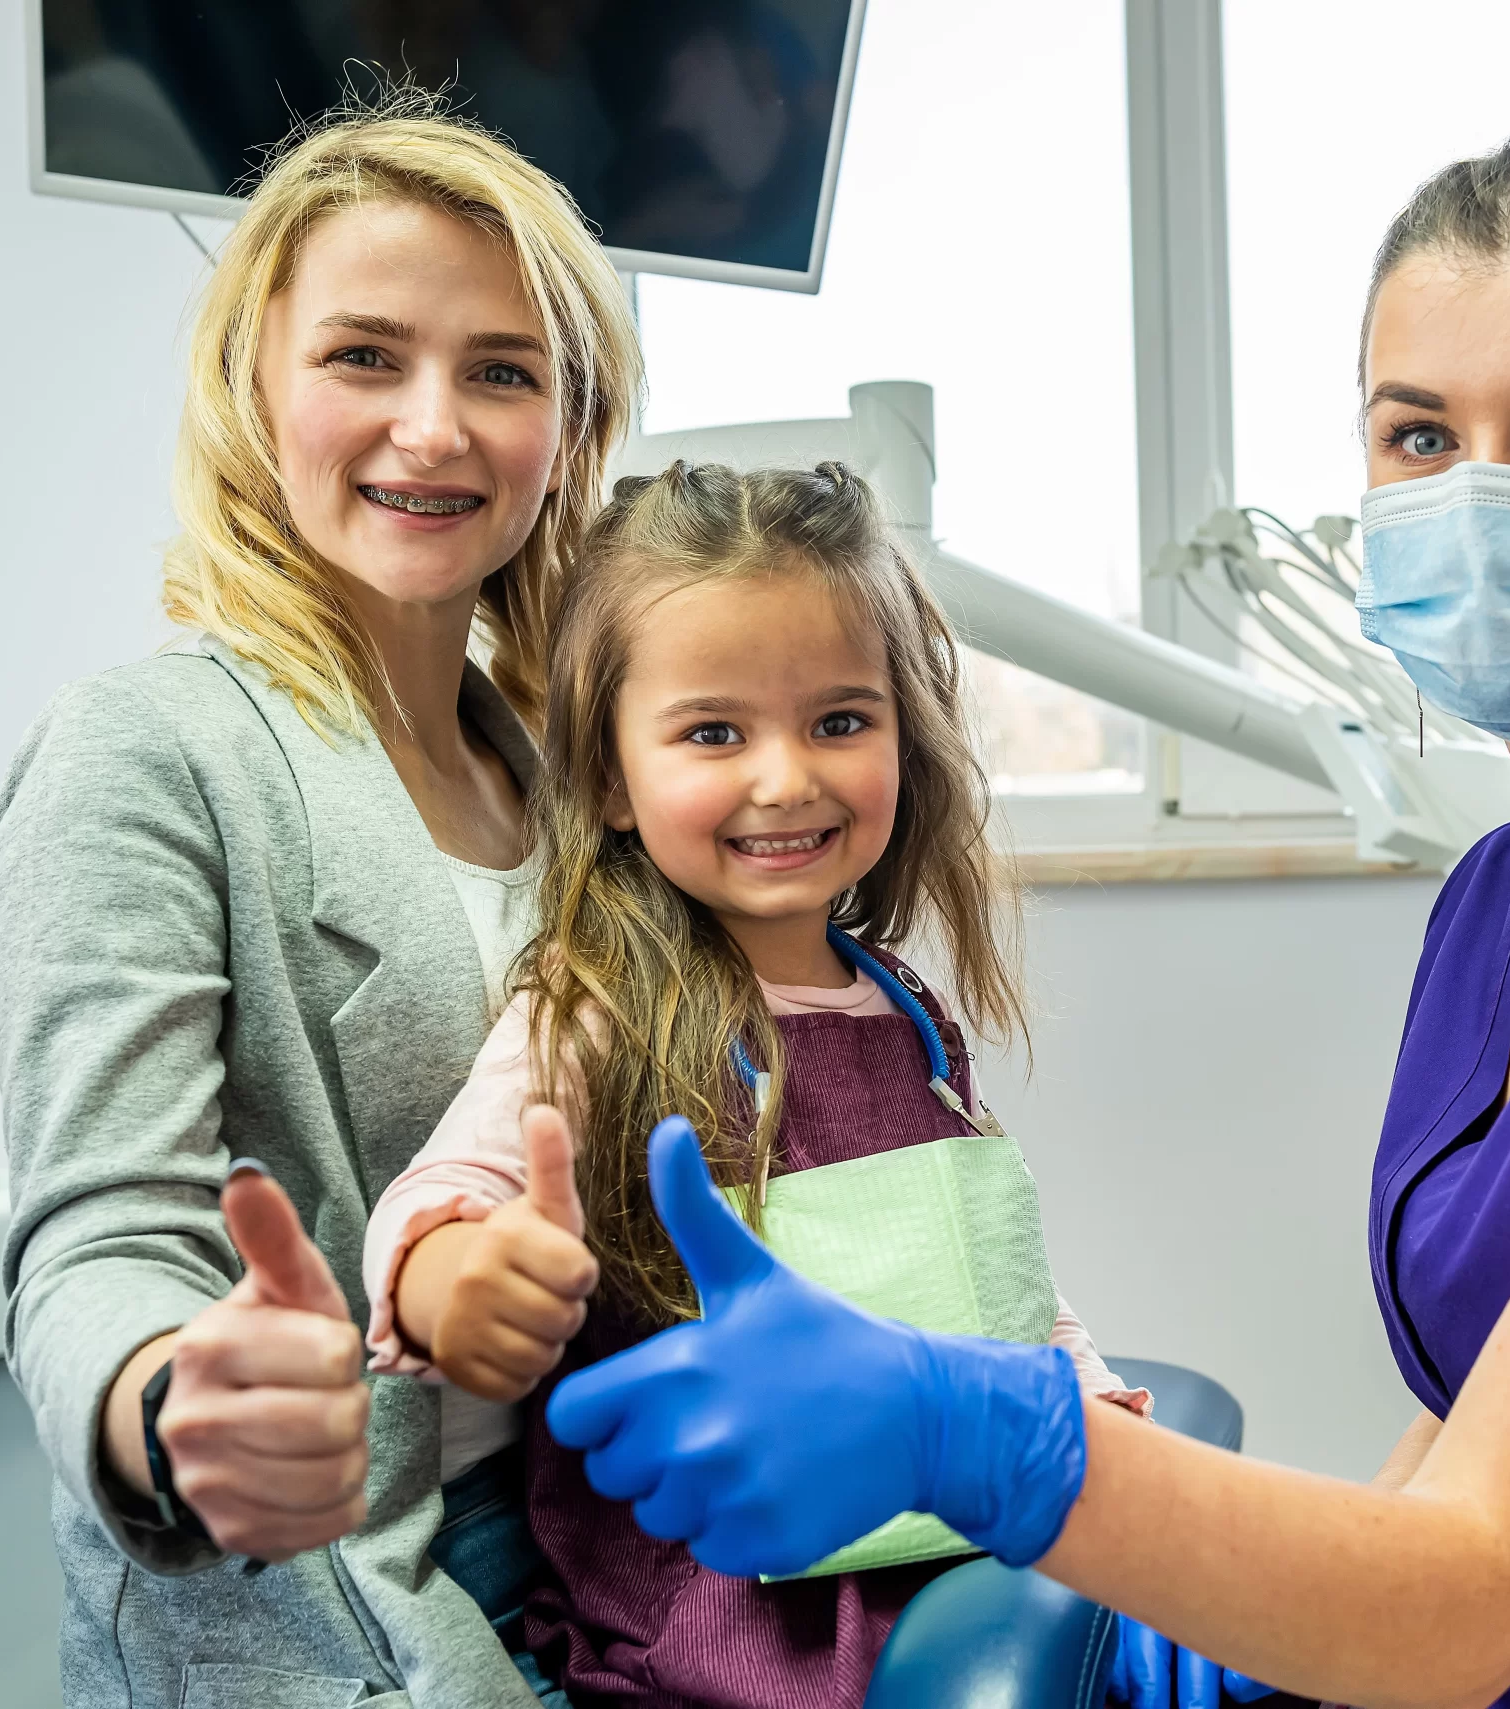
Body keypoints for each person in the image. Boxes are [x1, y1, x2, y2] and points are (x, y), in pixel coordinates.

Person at [530, 126, 1510, 1708]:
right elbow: (1489, 1428)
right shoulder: (1506, 894)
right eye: (1421, 437)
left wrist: (984, 1439)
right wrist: (1265, 1614)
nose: (1481, 493)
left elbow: (1469, 1595)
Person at [0, 96, 639, 1706]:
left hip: (598, 1553)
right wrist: (172, 1401)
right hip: (339, 1606)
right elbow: (99, 1239)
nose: (435, 427)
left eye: (502, 370)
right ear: (252, 391)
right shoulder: (141, 754)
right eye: (364, 357)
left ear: (567, 430)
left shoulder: (562, 767)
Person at [358, 461, 1152, 1707]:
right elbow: (444, 1187)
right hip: (720, 1644)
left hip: (953, 1573)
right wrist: (460, 1275)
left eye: (840, 720)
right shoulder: (599, 1006)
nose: (786, 778)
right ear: (613, 778)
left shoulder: (906, 1010)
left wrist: (1106, 1433)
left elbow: (999, 1285)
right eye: (714, 732)